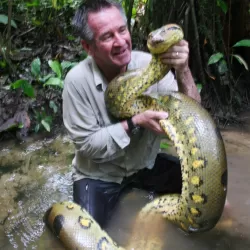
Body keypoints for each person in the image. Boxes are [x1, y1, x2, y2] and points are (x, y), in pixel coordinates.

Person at [62, 0, 201, 228]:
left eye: (122, 30)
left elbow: (193, 118)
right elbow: (87, 145)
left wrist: (183, 70)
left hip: (144, 165)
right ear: (88, 47)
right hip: (100, 175)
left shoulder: (151, 65)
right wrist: (135, 122)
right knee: (86, 235)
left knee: (208, 200)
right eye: (107, 37)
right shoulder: (76, 82)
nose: (120, 42)